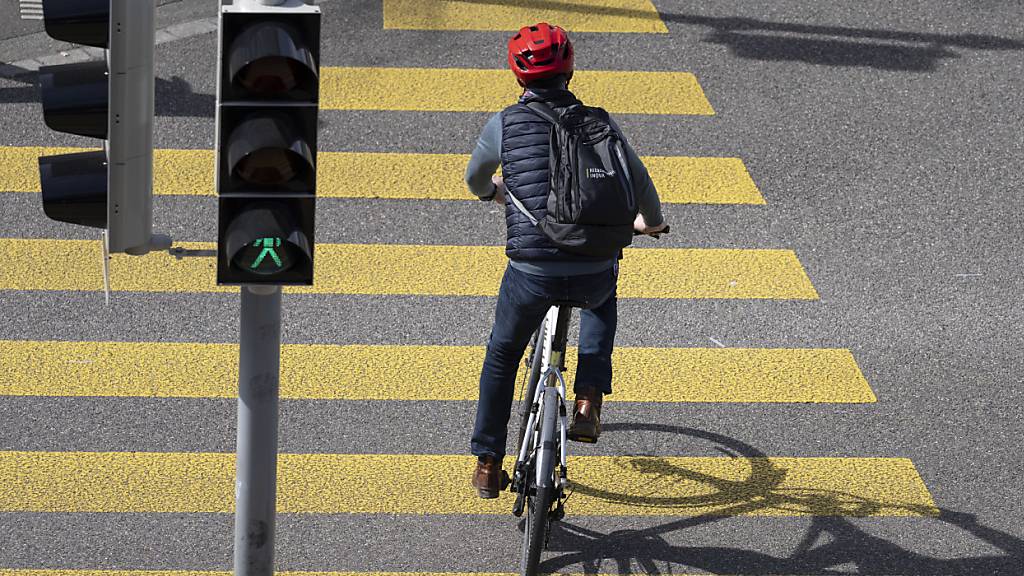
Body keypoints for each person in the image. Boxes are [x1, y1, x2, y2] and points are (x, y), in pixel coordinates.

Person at [465, 22, 667, 498]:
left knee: (502, 354)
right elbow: (639, 181)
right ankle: (587, 399)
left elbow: (476, 179)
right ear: (570, 70)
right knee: (602, 295)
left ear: (518, 76)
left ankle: (489, 460)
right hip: (592, 266)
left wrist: (494, 193)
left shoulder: (504, 123)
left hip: (532, 270)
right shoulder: (598, 122)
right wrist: (651, 225)